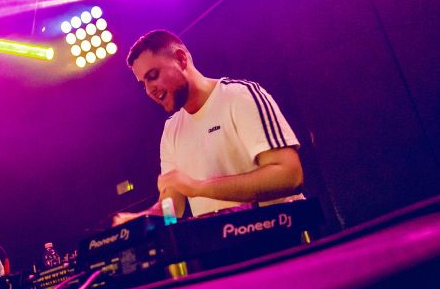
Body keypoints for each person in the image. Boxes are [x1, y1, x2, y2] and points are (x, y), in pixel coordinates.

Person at [114, 30, 303, 224]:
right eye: (143, 84)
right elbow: (172, 210)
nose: (149, 90)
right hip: (223, 242)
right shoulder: (171, 130)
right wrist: (140, 222)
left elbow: (289, 174)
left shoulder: (239, 96)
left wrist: (198, 187)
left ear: (181, 59)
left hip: (280, 234)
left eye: (153, 76)